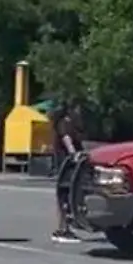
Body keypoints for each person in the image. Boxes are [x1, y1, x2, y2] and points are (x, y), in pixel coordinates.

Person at [51, 100, 86, 244]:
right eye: (78, 109)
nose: (80, 112)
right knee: (65, 197)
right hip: (66, 166)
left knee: (67, 197)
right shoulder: (64, 123)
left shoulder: (68, 123)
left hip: (67, 165)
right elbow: (67, 139)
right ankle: (63, 230)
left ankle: (66, 228)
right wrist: (74, 154)